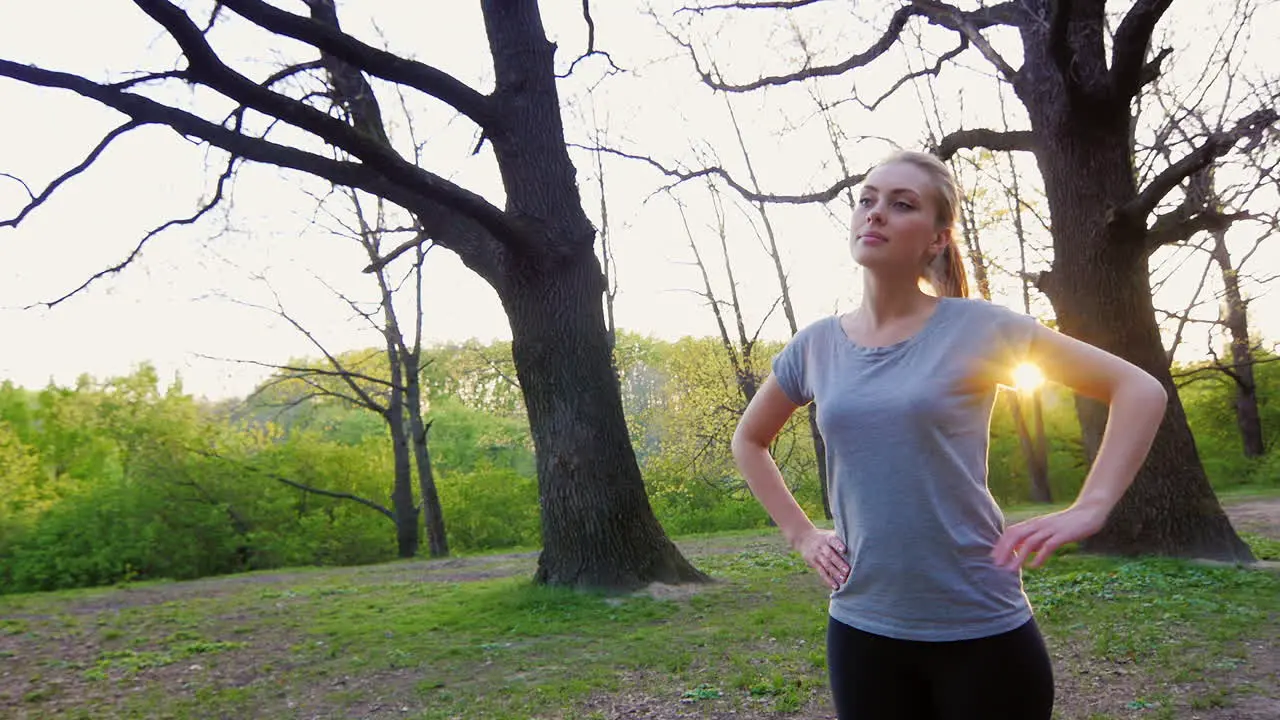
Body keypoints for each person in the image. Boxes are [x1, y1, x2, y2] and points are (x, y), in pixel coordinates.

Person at [730, 150, 1168, 720]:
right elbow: (750, 441)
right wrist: (803, 535)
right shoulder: (815, 345)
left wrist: (1093, 505)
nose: (875, 213)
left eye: (901, 204)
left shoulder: (980, 327)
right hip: (862, 626)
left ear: (937, 240)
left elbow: (1138, 389)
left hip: (980, 626)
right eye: (867, 199)